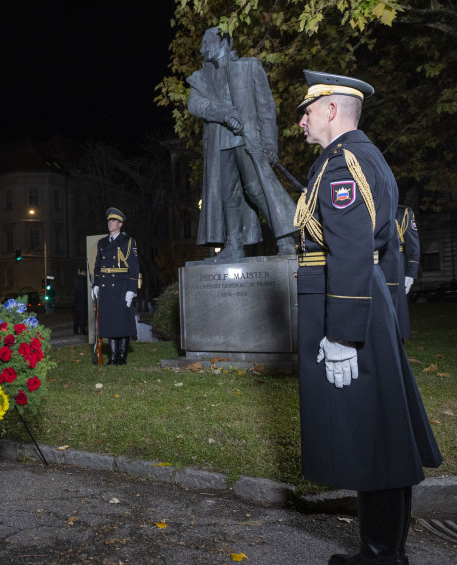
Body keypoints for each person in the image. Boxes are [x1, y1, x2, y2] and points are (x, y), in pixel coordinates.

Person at [294, 70, 442, 565]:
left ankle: (379, 555)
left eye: (308, 110)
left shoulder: (342, 165)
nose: (302, 121)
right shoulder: (363, 158)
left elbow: (353, 252)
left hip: (350, 310)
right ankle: (385, 552)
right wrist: (390, 316)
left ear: (331, 110)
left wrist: (343, 337)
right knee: (382, 435)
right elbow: (388, 252)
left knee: (372, 439)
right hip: (368, 306)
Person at [186, 27, 297, 262]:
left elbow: (266, 109)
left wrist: (270, 145)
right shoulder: (202, 77)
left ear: (222, 42)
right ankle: (234, 246)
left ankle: (285, 240)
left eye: (206, 42)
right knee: (228, 195)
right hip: (220, 144)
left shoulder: (249, 66)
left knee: (257, 190)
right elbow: (195, 105)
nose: (202, 48)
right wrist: (224, 113)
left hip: (247, 140)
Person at [92, 207, 138, 365]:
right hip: (106, 288)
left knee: (122, 322)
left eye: (113, 221)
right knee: (110, 322)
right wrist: (96, 284)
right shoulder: (102, 243)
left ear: (120, 224)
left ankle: (121, 357)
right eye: (108, 221)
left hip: (121, 287)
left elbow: (134, 266)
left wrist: (131, 289)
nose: (109, 223)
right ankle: (112, 357)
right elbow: (97, 266)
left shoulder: (128, 241)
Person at [394, 205, 420, 338]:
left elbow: (413, 245)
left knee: (397, 313)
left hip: (396, 265)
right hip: (371, 263)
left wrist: (410, 273)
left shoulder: (402, 213)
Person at [73, 267, 88, 335]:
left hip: (77, 301)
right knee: (83, 318)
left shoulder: (76, 279)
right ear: (84, 272)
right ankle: (82, 331)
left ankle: (75, 330)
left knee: (77, 317)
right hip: (83, 301)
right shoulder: (85, 280)